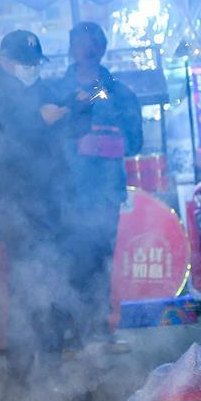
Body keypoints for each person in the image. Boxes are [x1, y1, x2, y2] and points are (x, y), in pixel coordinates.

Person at [0, 30, 67, 376]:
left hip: (55, 204)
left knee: (55, 286)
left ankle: (54, 367)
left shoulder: (47, 90)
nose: (32, 68)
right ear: (5, 61)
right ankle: (21, 374)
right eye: (26, 63)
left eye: (36, 63)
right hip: (14, 208)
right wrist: (39, 122)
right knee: (26, 285)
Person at [44, 22, 143, 343]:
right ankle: (67, 331)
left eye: (92, 45)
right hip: (64, 192)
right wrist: (73, 143)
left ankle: (98, 331)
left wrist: (105, 143)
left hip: (103, 194)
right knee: (66, 262)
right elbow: (41, 139)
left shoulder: (119, 91)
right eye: (80, 44)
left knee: (100, 261)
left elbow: (136, 141)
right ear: (71, 48)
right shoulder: (55, 91)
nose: (86, 51)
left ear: (102, 48)